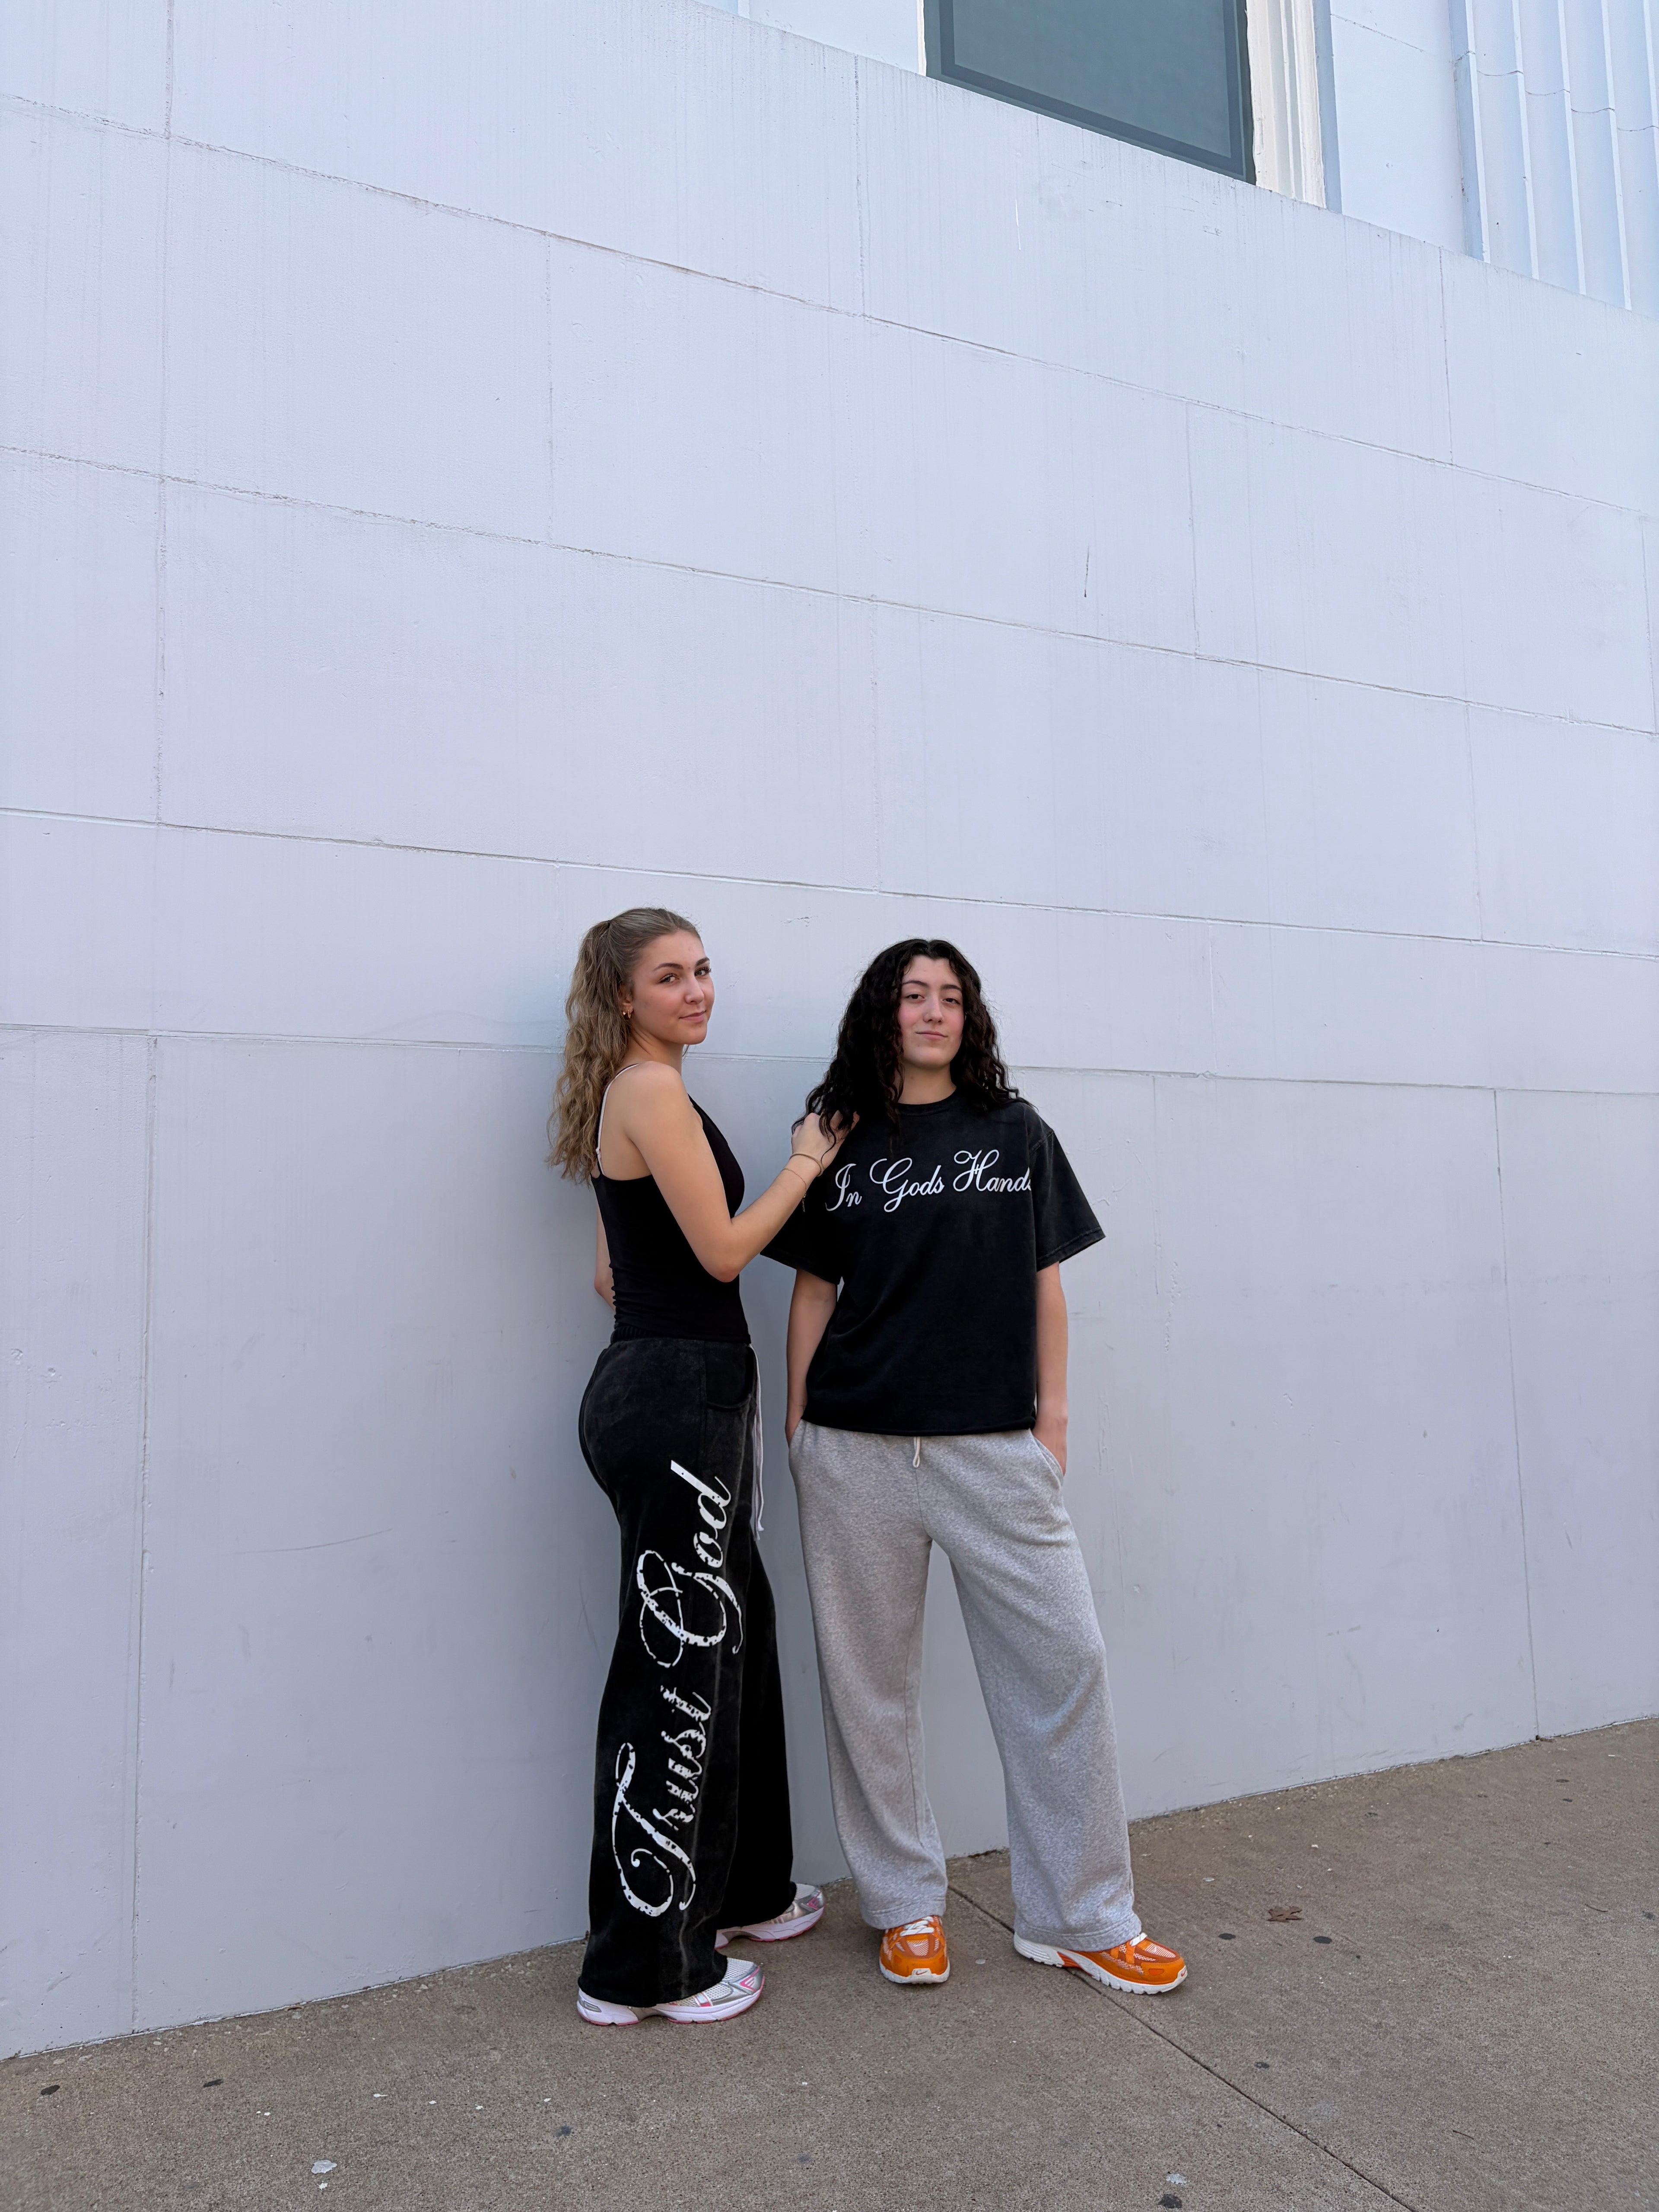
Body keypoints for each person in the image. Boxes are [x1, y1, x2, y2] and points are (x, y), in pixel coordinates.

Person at [766, 938, 1187, 1996]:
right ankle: (904, 1906)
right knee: (868, 1687)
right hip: (856, 1449)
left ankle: (1080, 1916)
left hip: (994, 1450)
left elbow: (1046, 1282)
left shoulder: (1015, 1131)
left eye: (951, 996)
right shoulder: (840, 1134)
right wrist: (799, 1424)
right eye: (913, 994)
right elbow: (813, 1289)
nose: (933, 1011)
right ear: (883, 1011)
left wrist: (1052, 1423)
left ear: (970, 1017)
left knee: (1064, 1664)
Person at [549, 907, 844, 2025]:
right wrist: (807, 1161)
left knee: (735, 1638)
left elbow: (611, 1275)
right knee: (676, 1676)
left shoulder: (633, 1093)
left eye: (705, 969)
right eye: (670, 976)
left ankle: (744, 1890)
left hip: (668, 1391)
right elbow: (722, 1252)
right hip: (678, 1402)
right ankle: (640, 1970)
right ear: (624, 996)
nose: (697, 990)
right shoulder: (650, 1092)